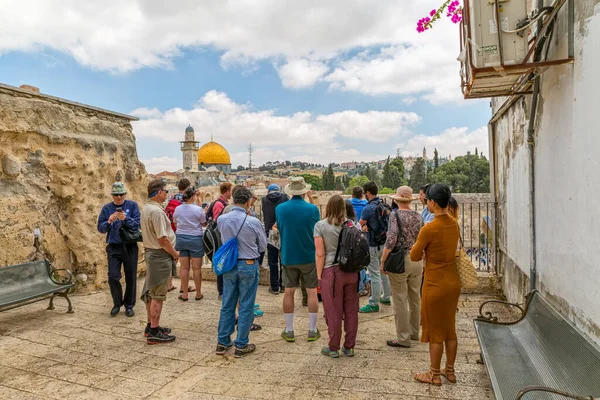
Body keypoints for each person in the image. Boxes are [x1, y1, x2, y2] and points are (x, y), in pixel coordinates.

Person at [410, 184, 461, 386]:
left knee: (435, 333)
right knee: (450, 329)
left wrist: (422, 249)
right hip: (452, 283)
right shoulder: (454, 223)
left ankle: (433, 374)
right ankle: (450, 371)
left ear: (432, 202)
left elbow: (414, 256)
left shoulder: (429, 228)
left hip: (435, 283)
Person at [215, 186, 267, 358]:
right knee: (246, 305)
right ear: (248, 201)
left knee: (228, 303)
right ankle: (241, 344)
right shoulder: (253, 222)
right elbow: (262, 246)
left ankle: (222, 342)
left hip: (229, 265)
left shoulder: (222, 219)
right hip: (248, 264)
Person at [276, 177, 321, 343]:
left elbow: (279, 228)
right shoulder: (312, 209)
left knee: (288, 292)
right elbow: (317, 229)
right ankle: (312, 329)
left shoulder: (280, 209)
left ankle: (289, 330)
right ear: (304, 191)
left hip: (289, 255)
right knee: (311, 292)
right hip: (309, 255)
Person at [315, 195, 359, 358]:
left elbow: (320, 254)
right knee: (351, 310)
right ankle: (349, 347)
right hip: (351, 272)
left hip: (331, 271)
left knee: (332, 311)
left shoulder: (320, 225)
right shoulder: (351, 225)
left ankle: (333, 347)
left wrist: (319, 276)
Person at [380, 186, 423, 348]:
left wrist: (383, 261)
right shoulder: (418, 216)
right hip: (417, 259)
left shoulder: (395, 215)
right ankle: (414, 332)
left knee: (399, 299)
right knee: (414, 298)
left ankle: (403, 337)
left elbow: (391, 240)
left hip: (400, 260)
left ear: (397, 200)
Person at [140, 179, 179, 344]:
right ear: (158, 193)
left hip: (152, 253)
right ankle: (154, 331)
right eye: (165, 191)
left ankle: (151, 325)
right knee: (157, 294)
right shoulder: (156, 212)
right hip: (159, 256)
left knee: (151, 291)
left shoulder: (147, 208)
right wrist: (175, 254)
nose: (167, 194)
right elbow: (162, 239)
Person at [97, 181, 140, 317]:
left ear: (125, 194)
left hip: (130, 246)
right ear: (112, 195)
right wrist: (109, 221)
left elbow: (137, 225)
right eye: (116, 195)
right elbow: (101, 228)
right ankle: (117, 303)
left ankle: (129, 305)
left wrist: (126, 219)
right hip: (114, 246)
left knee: (131, 277)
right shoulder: (106, 208)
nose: (119, 197)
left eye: (121, 194)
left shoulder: (132, 206)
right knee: (113, 277)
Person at [358, 181, 391, 313]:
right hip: (384, 243)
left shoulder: (369, 208)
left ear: (368, 193)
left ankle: (374, 303)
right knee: (383, 270)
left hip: (373, 244)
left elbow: (360, 223)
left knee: (374, 274)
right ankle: (386, 296)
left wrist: (365, 226)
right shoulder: (383, 204)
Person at [173, 187, 207, 301]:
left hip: (181, 238)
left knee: (184, 268)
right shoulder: (197, 209)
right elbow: (203, 223)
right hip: (195, 239)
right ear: (193, 196)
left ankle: (185, 294)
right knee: (196, 269)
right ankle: (198, 293)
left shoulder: (178, 209)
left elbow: (175, 222)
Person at [206, 182, 233, 300]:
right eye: (230, 190)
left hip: (223, 239)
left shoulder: (224, 203)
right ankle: (221, 291)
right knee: (221, 264)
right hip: (220, 240)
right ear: (226, 191)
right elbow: (219, 223)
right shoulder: (219, 204)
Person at [165, 178, 192, 293]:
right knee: (185, 262)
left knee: (172, 258)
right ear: (187, 188)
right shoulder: (187, 201)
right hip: (183, 233)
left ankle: (169, 284)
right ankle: (183, 286)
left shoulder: (172, 198)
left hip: (171, 232)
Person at [262, 184, 289, 295]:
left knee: (273, 261)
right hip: (283, 231)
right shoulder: (285, 197)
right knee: (283, 260)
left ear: (269, 191)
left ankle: (274, 287)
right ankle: (283, 285)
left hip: (271, 231)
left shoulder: (264, 199)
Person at [346, 201, 369, 297]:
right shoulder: (356, 224)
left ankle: (363, 284)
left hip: (345, 253)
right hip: (355, 252)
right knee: (360, 269)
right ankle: (363, 284)